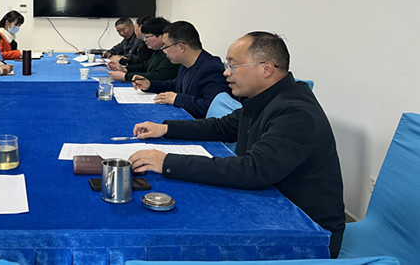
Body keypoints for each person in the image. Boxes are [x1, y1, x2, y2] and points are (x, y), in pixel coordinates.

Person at [128, 32, 346, 258]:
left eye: (233, 66)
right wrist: (166, 129)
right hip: (266, 208)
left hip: (305, 234)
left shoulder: (295, 112)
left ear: (266, 69)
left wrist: (167, 162)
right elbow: (221, 127)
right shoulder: (265, 98)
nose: (226, 73)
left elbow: (254, 170)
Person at [133, 21, 229, 118]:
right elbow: (174, 84)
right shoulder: (185, 64)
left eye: (165, 46)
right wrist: (150, 85)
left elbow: (212, 107)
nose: (164, 51)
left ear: (181, 47)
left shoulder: (211, 68)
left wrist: (177, 99)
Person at [107, 17, 179, 83]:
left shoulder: (170, 53)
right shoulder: (158, 50)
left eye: (147, 37)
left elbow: (158, 76)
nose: (145, 40)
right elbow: (145, 66)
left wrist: (125, 76)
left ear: (162, 36)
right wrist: (125, 69)